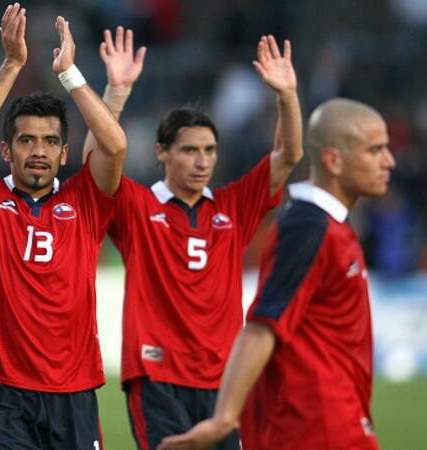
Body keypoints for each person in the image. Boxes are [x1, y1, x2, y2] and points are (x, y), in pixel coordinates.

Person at [83, 31, 303, 450]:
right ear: (162, 152)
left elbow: (288, 156)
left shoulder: (233, 206)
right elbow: (97, 162)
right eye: (189, 150)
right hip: (157, 376)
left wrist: (287, 96)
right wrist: (116, 93)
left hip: (224, 380)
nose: (202, 161)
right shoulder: (137, 206)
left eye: (209, 150)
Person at [158, 98, 395, 450]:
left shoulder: (332, 226)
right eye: (375, 150)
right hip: (315, 428)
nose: (389, 161)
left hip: (338, 420)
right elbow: (260, 328)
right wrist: (224, 418)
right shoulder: (308, 226)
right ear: (334, 160)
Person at [0, 4, 127, 448]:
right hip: (0, 389)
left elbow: (115, 144)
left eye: (50, 142)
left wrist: (70, 74)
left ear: (65, 154)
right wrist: (12, 64)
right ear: (6, 151)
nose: (39, 151)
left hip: (75, 390)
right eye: (26, 140)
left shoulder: (84, 201)